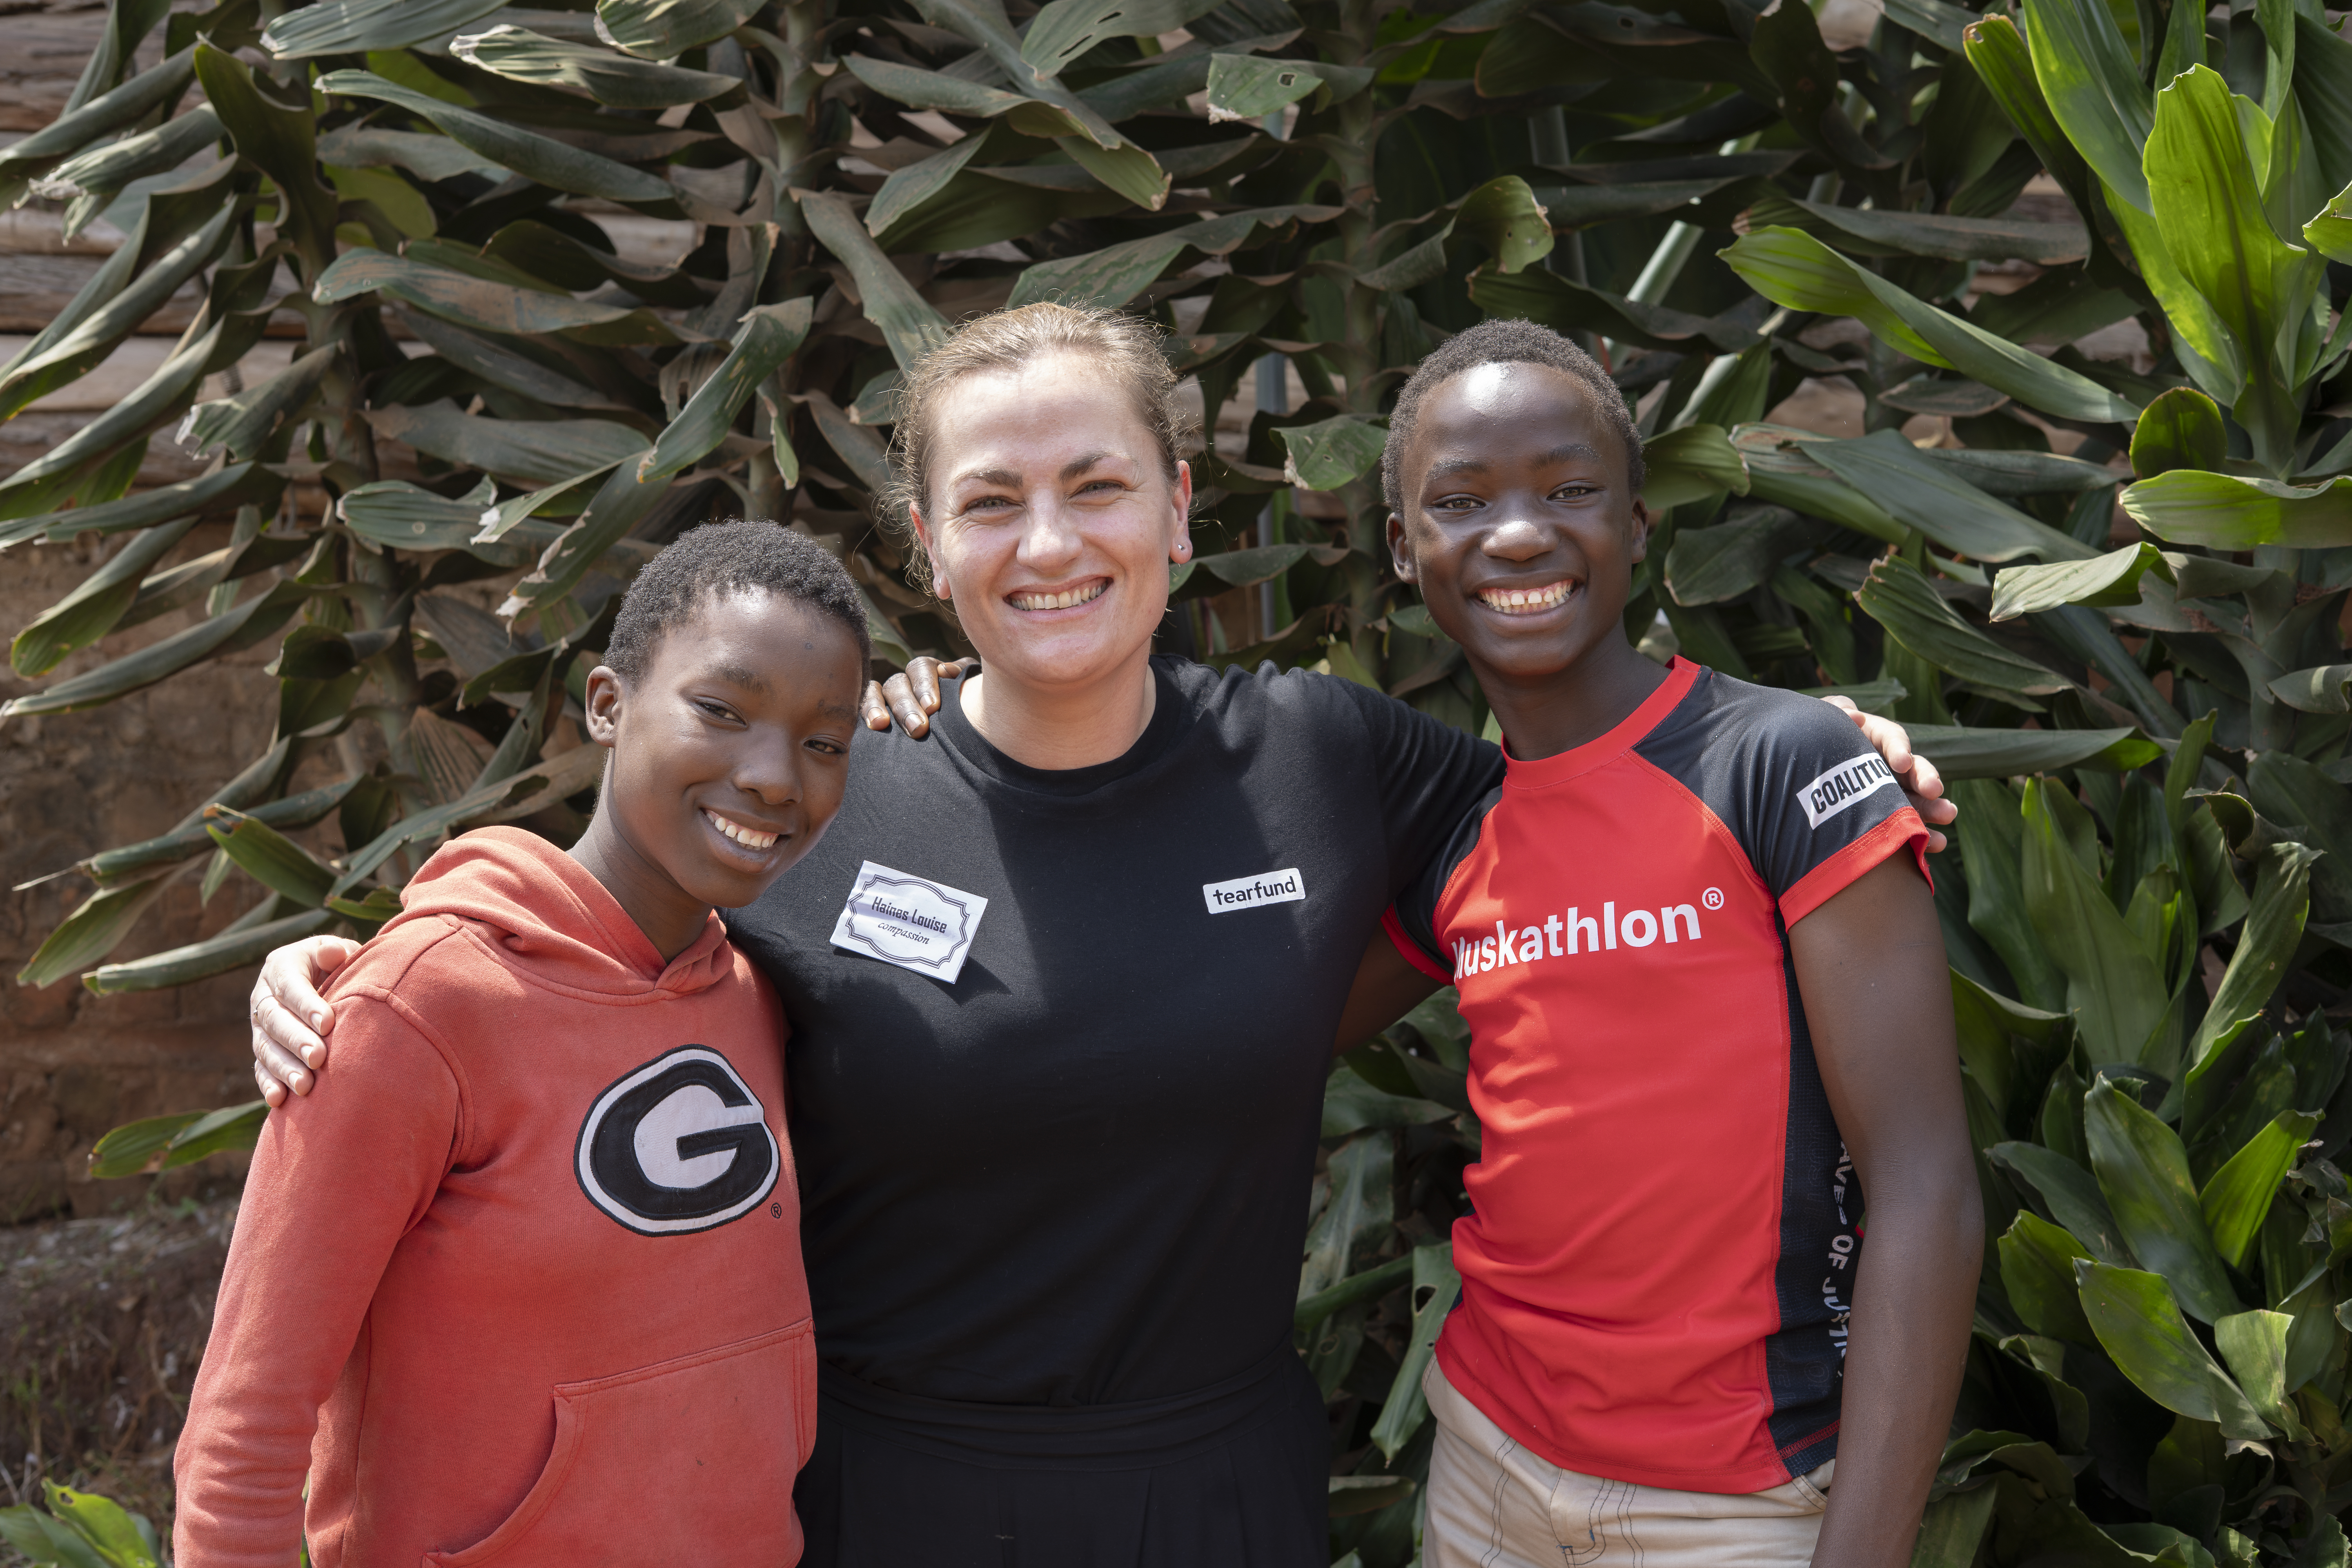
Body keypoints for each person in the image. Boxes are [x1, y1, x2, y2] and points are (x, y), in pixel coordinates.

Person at [241, 303, 1951, 1566]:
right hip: (885, 1496)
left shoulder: (1328, 758)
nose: (1049, 543)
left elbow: (1595, 790)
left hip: (1223, 1496)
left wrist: (1810, 747)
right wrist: (372, 966)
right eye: (991, 502)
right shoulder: (846, 787)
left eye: (1095, 485)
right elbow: (604, 948)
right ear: (926, 544)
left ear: (1179, 507)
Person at [1367, 319, 1980, 1566]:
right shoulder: (1453, 825)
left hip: (1734, 1510)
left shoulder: (1781, 763)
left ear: (1638, 523)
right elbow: (1245, 1028)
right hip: (1485, 1468)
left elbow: (1927, 1189)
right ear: (1405, 548)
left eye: (1571, 488)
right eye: (1462, 500)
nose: (1522, 531)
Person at [176, 523, 870, 1567]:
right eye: (722, 711)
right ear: (606, 704)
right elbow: (244, 1435)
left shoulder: (764, 996)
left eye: (824, 741)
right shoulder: (422, 1009)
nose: (776, 777)